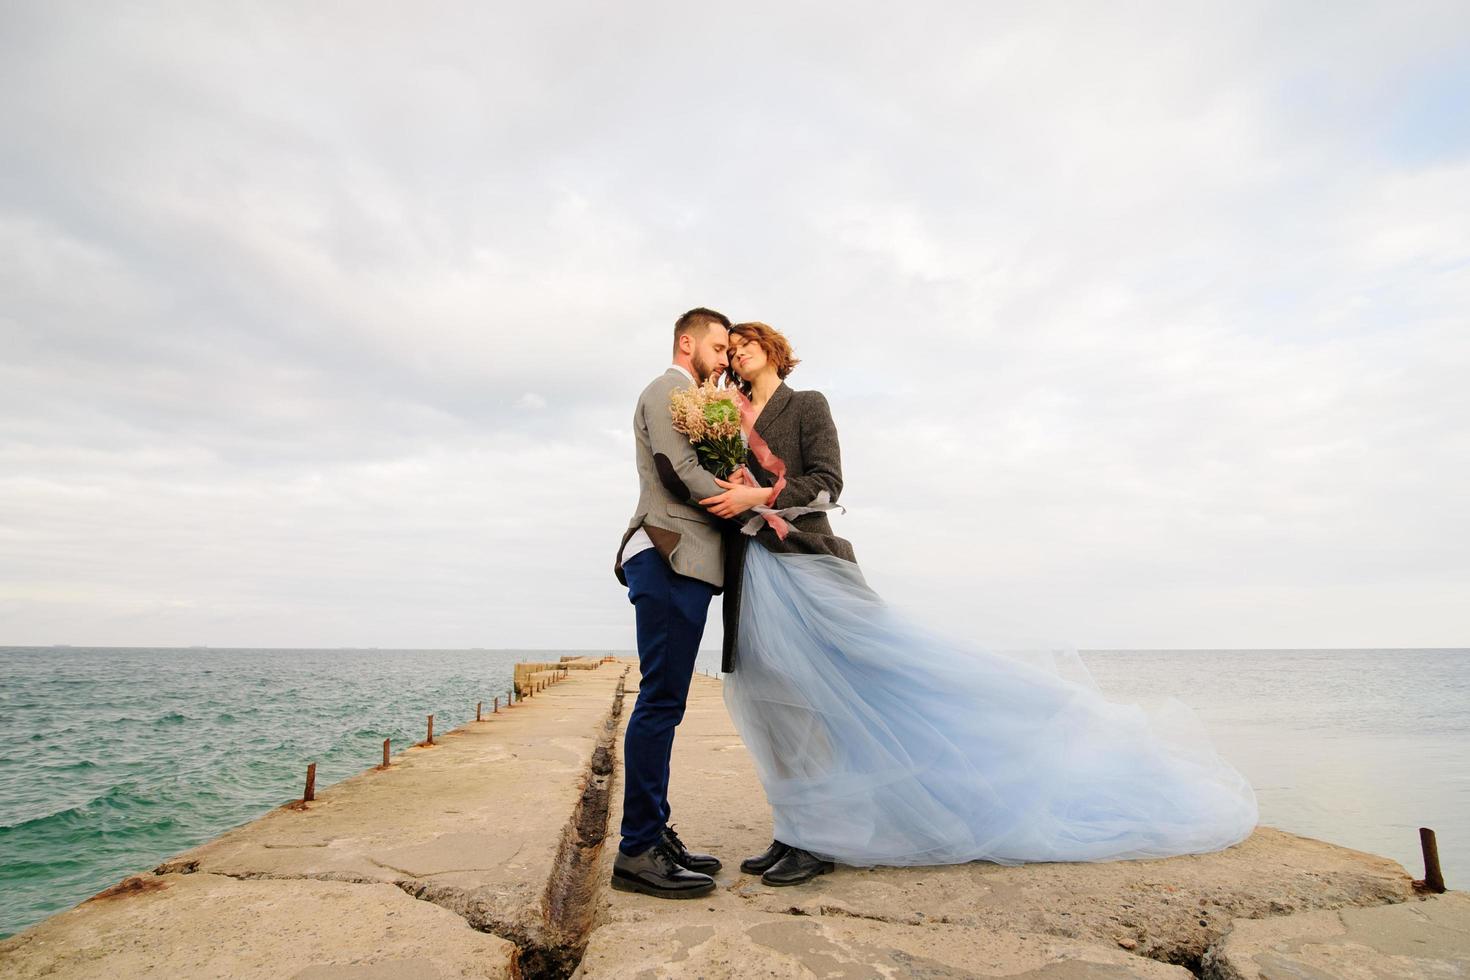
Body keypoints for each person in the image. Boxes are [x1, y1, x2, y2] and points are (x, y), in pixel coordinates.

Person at [698, 321, 1259, 887]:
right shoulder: (726, 411)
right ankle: (795, 828)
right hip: (756, 571)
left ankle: (823, 838)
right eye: (732, 346)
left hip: (806, 563)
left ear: (772, 350)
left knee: (840, 695)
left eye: (748, 342)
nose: (739, 352)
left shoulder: (807, 404)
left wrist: (760, 493)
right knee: (777, 703)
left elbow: (828, 483)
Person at [609, 307, 738, 899]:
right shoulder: (667, 389)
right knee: (660, 701)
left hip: (684, 562)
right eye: (718, 347)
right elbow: (675, 467)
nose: (726, 358)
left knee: (669, 701)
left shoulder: (698, 397)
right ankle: (636, 851)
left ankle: (653, 831)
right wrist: (748, 501)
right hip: (667, 554)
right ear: (688, 343)